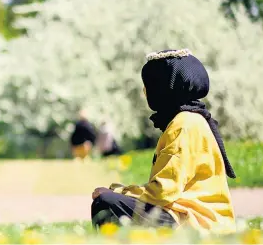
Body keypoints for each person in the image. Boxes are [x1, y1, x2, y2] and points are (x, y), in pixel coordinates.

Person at [90, 49, 236, 233]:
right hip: (190, 216)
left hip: (196, 223)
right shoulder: (191, 120)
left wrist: (117, 192)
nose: (145, 93)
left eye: (149, 86)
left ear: (165, 88)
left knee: (107, 203)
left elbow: (163, 192)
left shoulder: (183, 124)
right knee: (111, 200)